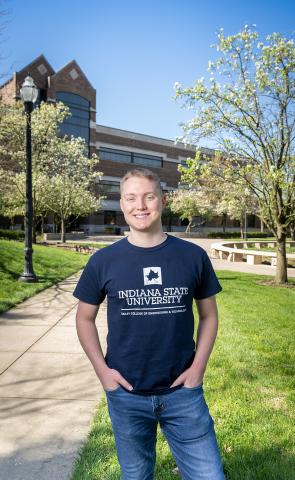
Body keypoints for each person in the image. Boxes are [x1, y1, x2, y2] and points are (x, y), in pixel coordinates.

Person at [73, 168, 225, 480]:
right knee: (136, 474)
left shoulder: (192, 256)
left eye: (148, 197)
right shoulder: (103, 261)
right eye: (131, 198)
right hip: (126, 393)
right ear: (122, 204)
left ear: (162, 201)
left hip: (183, 391)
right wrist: (104, 373)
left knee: (209, 475)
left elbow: (209, 315)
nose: (140, 205)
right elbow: (84, 318)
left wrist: (198, 369)